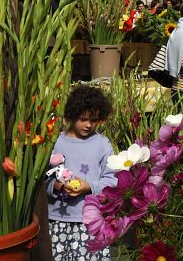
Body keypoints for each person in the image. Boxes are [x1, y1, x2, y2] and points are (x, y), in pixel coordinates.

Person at [46, 86, 117, 260]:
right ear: (71, 115)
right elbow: (42, 177)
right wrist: (55, 186)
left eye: (93, 120)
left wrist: (89, 187)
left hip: (90, 222)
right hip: (58, 219)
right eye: (83, 119)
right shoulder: (56, 142)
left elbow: (112, 180)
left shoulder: (102, 144)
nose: (88, 125)